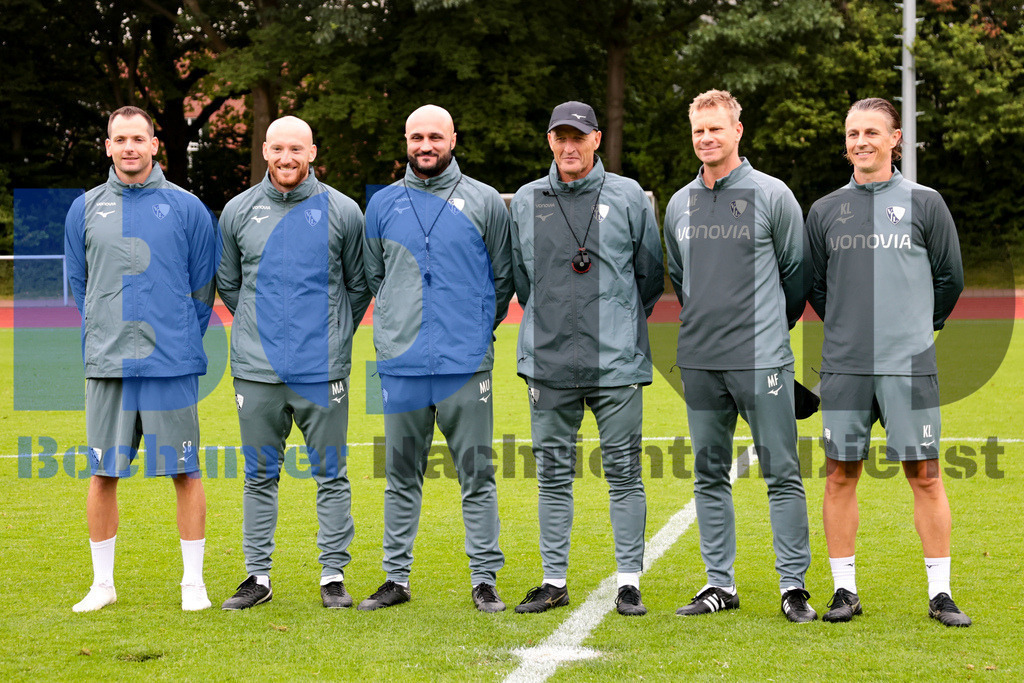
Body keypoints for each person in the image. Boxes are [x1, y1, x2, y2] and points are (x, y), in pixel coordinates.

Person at [806, 97, 969, 627]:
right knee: (838, 476)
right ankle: (843, 591)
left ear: (895, 138)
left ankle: (940, 594)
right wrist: (856, 329)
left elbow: (950, 280)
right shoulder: (826, 209)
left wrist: (919, 328)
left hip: (909, 364)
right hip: (845, 365)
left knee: (924, 475)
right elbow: (817, 288)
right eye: (853, 133)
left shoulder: (926, 203)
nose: (861, 142)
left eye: (872, 132)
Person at [663, 90, 816, 622]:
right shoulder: (679, 203)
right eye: (698, 130)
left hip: (761, 358)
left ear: (737, 131)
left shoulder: (772, 195)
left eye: (715, 128)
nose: (706, 138)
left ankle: (793, 585)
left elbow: (796, 278)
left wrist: (772, 326)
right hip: (700, 361)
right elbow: (683, 281)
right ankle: (719, 585)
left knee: (781, 471)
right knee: (708, 474)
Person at [508, 101, 664, 617]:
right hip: (549, 363)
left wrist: (617, 320)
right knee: (552, 476)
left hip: (615, 363)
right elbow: (523, 280)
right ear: (549, 141)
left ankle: (628, 582)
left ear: (597, 139)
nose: (569, 146)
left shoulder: (628, 196)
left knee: (623, 473)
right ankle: (554, 581)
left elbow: (648, 276)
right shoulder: (527, 199)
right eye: (560, 137)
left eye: (579, 137)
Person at [64, 105, 219, 612]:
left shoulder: (188, 207)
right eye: (119, 139)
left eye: (139, 138)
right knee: (103, 472)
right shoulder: (84, 208)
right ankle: (102, 585)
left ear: (155, 145)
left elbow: (202, 288)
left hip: (170, 361)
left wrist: (175, 338)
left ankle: (192, 585)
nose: (129, 147)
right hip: (108, 362)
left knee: (185, 470)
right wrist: (108, 332)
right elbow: (80, 285)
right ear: (107, 146)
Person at [359, 104, 513, 613]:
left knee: (477, 474)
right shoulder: (382, 204)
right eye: (416, 137)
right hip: (401, 364)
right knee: (401, 474)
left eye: (435, 136)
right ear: (406, 140)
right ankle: (395, 578)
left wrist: (473, 329)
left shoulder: (486, 201)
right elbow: (373, 276)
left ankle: (484, 578)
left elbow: (502, 278)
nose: (426, 145)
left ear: (454, 139)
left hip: (465, 363)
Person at [217, 116, 370, 610]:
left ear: (312, 152)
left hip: (322, 370)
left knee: (331, 472)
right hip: (256, 371)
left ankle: (332, 576)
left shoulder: (343, 211)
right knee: (260, 475)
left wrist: (329, 330)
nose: (287, 158)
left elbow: (358, 284)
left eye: (296, 149)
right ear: (265, 151)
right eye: (279, 148)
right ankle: (257, 577)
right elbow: (230, 283)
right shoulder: (238, 211)